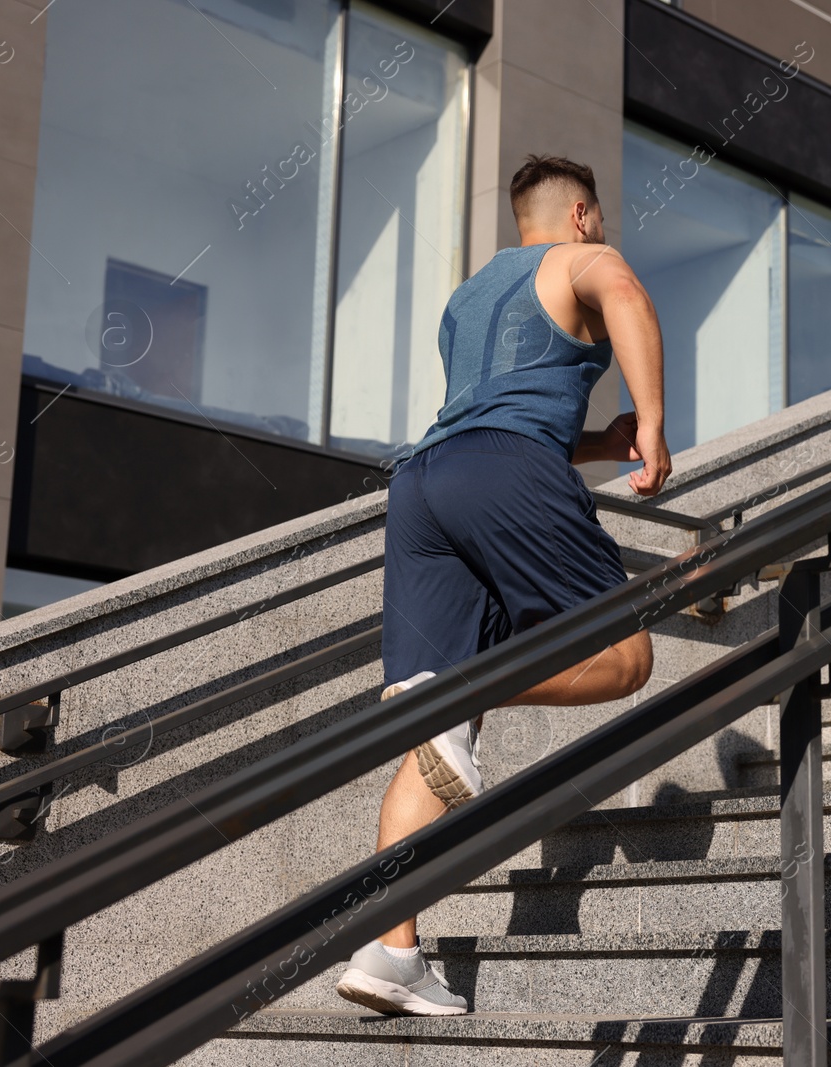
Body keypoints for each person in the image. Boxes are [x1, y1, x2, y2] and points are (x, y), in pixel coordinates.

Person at [335, 154, 670, 1016]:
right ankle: (452, 693)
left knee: (438, 729)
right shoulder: (580, 260)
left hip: (423, 484)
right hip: (505, 471)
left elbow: (493, 416)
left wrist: (603, 442)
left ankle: (389, 949)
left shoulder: (470, 296)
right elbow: (627, 294)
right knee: (627, 656)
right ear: (583, 216)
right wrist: (656, 426)